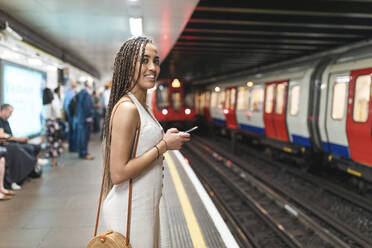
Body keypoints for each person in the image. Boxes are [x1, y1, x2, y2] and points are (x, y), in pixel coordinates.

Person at [101, 36, 190, 248]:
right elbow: (119, 172)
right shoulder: (127, 108)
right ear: (127, 65)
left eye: (156, 61)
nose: (152, 67)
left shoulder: (142, 107)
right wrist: (164, 146)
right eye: (144, 60)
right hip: (132, 211)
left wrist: (164, 139)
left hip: (146, 205)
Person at [42, 87, 63, 167]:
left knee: (48, 144)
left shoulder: (44, 106)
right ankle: (54, 162)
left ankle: (51, 161)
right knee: (55, 143)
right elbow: (58, 115)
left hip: (46, 126)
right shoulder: (53, 104)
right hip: (53, 126)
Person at [75, 81, 94, 160]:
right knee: (84, 137)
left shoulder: (81, 93)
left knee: (80, 136)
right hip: (85, 119)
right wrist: (89, 115)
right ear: (88, 85)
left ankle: (81, 152)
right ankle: (84, 153)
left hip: (80, 118)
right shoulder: (86, 94)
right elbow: (87, 107)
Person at [63, 80, 77, 152]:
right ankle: (73, 147)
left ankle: (71, 147)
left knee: (70, 131)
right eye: (73, 82)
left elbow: (65, 104)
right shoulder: (71, 92)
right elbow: (71, 105)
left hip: (68, 114)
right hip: (71, 114)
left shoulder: (66, 92)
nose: (75, 83)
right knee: (73, 131)